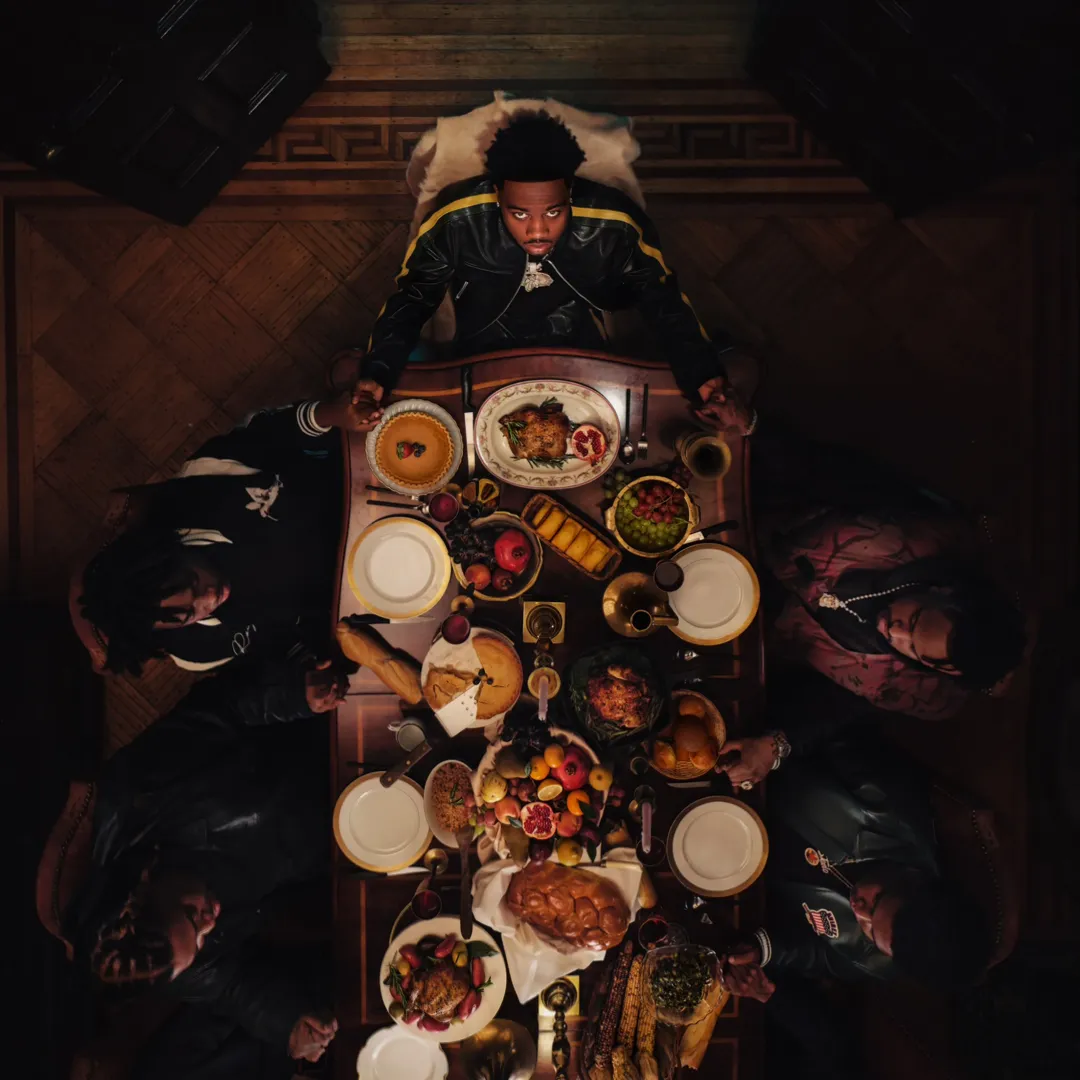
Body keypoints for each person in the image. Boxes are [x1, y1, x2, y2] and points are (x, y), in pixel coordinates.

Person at [339, 108, 754, 434]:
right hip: (482, 349)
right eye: (519, 214)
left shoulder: (614, 222)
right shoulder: (456, 220)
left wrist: (704, 377)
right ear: (497, 194)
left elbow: (661, 298)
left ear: (569, 192)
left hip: (582, 349)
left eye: (553, 212)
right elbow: (414, 296)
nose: (537, 231)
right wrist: (377, 373)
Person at [63, 658, 350, 1078]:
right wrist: (287, 1025)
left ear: (146, 882)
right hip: (333, 848)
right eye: (200, 942)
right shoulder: (164, 965)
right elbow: (232, 986)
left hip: (323, 740)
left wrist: (292, 695)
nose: (210, 923)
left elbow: (222, 705)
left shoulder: (139, 792)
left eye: (189, 914)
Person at [719, 730, 994, 1078]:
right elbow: (829, 729)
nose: (857, 909)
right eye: (876, 901)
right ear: (915, 878)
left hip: (730, 877)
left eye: (869, 931)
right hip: (737, 783)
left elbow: (816, 954)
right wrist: (774, 749)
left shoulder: (881, 963)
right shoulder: (888, 805)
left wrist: (761, 950)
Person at [69, 396, 381, 676]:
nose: (210, 597)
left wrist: (332, 413)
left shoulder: (207, 477)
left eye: (193, 580)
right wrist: (308, 667)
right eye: (189, 613)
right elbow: (276, 648)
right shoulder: (197, 652)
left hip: (364, 496)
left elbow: (278, 431)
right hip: (369, 594)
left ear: (168, 546)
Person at [749, 421, 1027, 721]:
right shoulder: (926, 534)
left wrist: (779, 740)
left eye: (913, 649)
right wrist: (754, 428)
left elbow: (830, 708)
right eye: (914, 618)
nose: (894, 631)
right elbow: (830, 471)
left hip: (743, 627)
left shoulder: (917, 692)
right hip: (750, 521)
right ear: (943, 590)